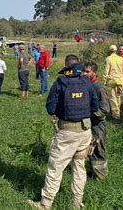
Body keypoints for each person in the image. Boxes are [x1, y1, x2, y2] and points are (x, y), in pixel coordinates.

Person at [28, 55, 99, 210]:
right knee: (79, 167)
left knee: (55, 168)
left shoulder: (61, 82)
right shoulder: (87, 82)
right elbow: (95, 106)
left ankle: (45, 204)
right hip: (85, 132)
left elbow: (50, 108)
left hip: (67, 133)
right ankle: (77, 202)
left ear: (67, 66)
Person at [84, 62, 111, 180]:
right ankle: (89, 174)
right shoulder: (86, 85)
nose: (85, 73)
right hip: (87, 125)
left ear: (94, 73)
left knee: (98, 150)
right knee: (87, 150)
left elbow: (105, 109)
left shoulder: (99, 88)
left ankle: (101, 178)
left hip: (97, 126)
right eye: (84, 71)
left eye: (88, 71)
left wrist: (88, 114)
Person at [103, 45, 123, 120]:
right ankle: (118, 111)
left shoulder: (108, 59)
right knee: (118, 96)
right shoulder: (121, 59)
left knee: (112, 97)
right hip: (120, 80)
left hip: (111, 80)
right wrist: (121, 78)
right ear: (116, 51)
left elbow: (106, 72)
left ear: (109, 51)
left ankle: (116, 115)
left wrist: (104, 82)